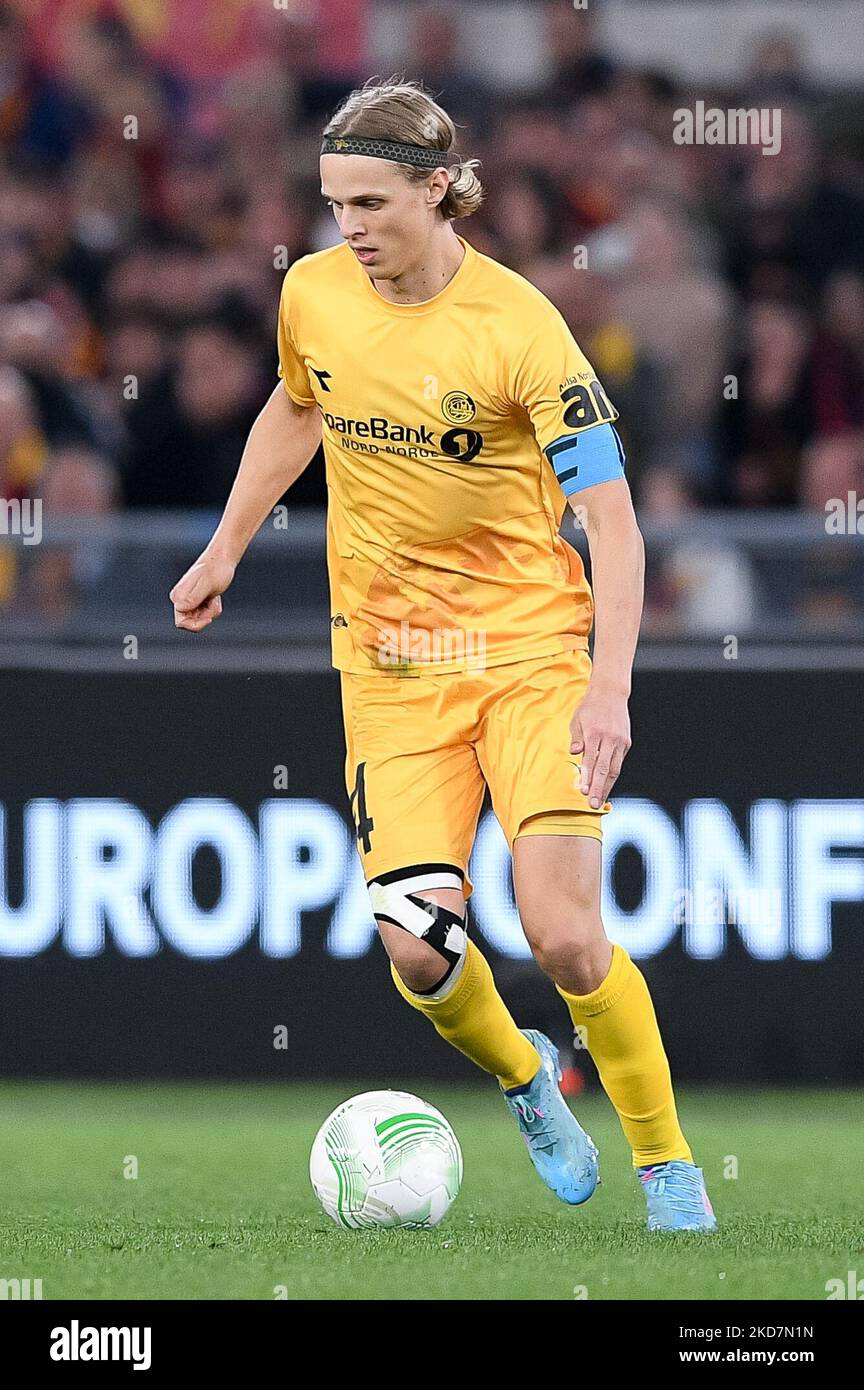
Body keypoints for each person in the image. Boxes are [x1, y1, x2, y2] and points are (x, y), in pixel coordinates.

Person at [170, 80, 716, 1231]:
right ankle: (527, 1079)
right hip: (391, 665)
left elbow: (614, 523)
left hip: (527, 651)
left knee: (566, 932)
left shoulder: (521, 329)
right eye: (332, 205)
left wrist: (609, 685)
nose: (348, 228)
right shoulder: (315, 293)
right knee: (416, 955)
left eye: (371, 201)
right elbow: (294, 406)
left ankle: (667, 1166)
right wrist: (224, 546)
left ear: (437, 189)